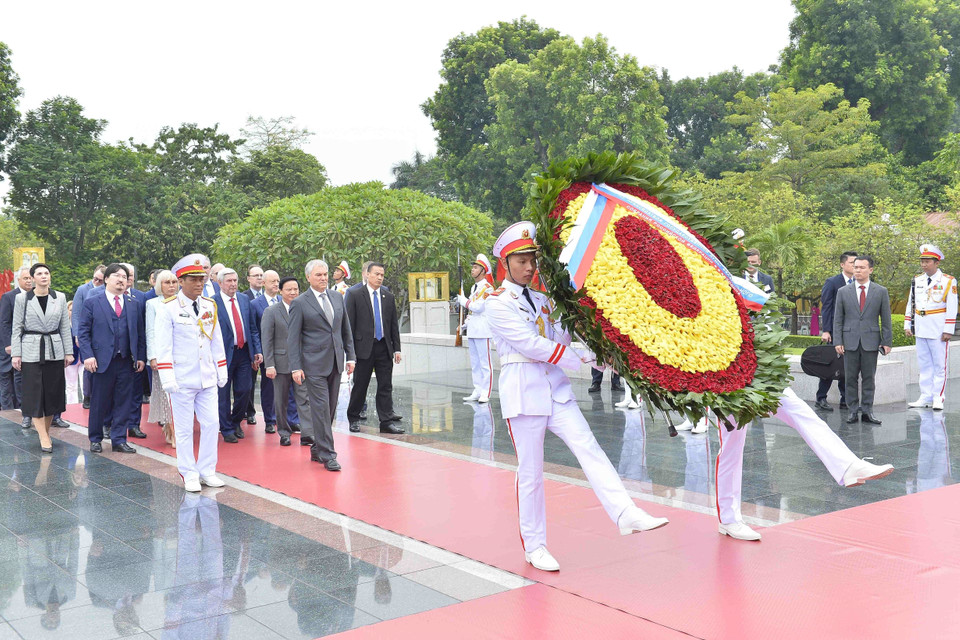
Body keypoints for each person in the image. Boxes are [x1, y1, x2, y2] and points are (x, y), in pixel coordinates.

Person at [484, 221, 668, 572]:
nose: (529, 267)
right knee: (531, 473)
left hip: (555, 389)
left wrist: (601, 354)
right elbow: (531, 345)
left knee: (590, 448)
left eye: (532, 260)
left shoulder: (543, 300)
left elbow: (561, 339)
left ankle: (625, 512)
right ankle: (535, 546)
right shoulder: (496, 303)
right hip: (524, 392)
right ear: (505, 264)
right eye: (521, 261)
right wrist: (580, 360)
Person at [714, 387, 894, 540]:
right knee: (731, 448)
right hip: (726, 382)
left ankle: (848, 466)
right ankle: (729, 519)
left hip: (760, 374)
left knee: (800, 411)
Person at [153, 254, 229, 492]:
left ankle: (207, 470)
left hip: (206, 376)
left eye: (201, 279)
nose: (199, 283)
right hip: (182, 378)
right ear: (181, 281)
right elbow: (163, 346)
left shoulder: (209, 305)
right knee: (184, 429)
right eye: (193, 279)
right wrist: (167, 378)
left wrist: (221, 368)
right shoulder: (168, 308)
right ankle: (189, 472)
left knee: (211, 424)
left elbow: (216, 340)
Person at [289, 260, 355, 469]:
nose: (323, 278)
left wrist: (351, 357)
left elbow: (345, 329)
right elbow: (293, 338)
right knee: (321, 409)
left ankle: (318, 447)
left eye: (325, 274)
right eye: (318, 275)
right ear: (308, 277)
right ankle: (329, 455)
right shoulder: (300, 303)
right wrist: (295, 367)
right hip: (313, 365)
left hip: (336, 361)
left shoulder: (337, 297)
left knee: (330, 409)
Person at [77, 263, 146, 453]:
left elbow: (140, 334)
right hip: (101, 361)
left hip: (126, 361)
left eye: (124, 277)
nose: (121, 280)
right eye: (117, 276)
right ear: (106, 279)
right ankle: (95, 438)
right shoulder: (93, 302)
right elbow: (83, 332)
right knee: (99, 402)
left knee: (124, 402)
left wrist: (140, 357)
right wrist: (88, 356)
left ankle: (119, 439)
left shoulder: (134, 304)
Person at [10, 263, 72, 453]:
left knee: (53, 394)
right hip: (31, 349)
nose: (44, 276)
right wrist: (16, 354)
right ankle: (44, 436)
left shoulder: (59, 297)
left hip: (54, 349)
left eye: (46, 273)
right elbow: (16, 327)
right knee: (35, 394)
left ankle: (44, 432)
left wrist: (68, 352)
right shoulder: (22, 298)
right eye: (39, 273)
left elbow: (64, 326)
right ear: (33, 278)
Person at [345, 262, 403, 435]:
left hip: (384, 347)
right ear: (367, 274)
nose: (379, 277)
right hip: (363, 348)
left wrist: (397, 348)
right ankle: (354, 418)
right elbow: (349, 325)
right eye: (376, 274)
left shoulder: (388, 296)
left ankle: (386, 421)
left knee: (385, 385)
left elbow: (393, 325)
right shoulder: (355, 294)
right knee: (360, 385)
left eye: (382, 275)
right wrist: (350, 353)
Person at [834, 255, 892, 425]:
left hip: (871, 341)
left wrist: (887, 341)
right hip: (849, 341)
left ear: (870, 270)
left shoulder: (880, 291)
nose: (857, 270)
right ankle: (852, 411)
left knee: (869, 378)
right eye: (855, 267)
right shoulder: (843, 292)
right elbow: (838, 319)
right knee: (850, 378)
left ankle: (867, 411)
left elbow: (886, 319)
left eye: (861, 267)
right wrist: (838, 341)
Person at [905, 244, 957, 411]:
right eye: (922, 261)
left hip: (938, 328)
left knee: (939, 365)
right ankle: (925, 396)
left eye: (927, 261)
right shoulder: (917, 280)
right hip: (921, 327)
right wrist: (908, 324)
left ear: (936, 263)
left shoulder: (948, 281)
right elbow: (911, 303)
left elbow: (952, 306)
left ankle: (938, 397)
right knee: (924, 364)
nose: (924, 265)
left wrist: (948, 329)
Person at [214, 268, 262, 443]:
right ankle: (226, 428)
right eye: (229, 281)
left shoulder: (243, 299)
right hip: (223, 354)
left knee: (244, 390)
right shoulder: (212, 303)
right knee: (223, 393)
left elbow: (252, 328)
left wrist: (257, 350)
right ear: (220, 283)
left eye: (235, 280)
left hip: (243, 352)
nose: (233, 284)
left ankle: (235, 422)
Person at [263, 276, 312, 447]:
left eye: (296, 289)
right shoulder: (271, 311)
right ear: (281, 291)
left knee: (304, 399)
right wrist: (269, 364)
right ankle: (284, 432)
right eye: (289, 289)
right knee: (281, 400)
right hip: (280, 363)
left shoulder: (304, 309)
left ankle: (307, 434)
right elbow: (267, 340)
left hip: (302, 363)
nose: (293, 292)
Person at [816, 251, 858, 412]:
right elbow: (826, 307)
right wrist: (826, 330)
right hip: (835, 331)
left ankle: (845, 400)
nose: (855, 266)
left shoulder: (860, 282)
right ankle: (821, 398)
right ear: (842, 264)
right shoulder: (832, 282)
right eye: (852, 263)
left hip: (853, 332)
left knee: (848, 366)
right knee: (830, 364)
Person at [146, 270, 179, 446]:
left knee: (180, 395)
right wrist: (152, 357)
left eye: (174, 282)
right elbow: (150, 331)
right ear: (159, 285)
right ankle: (171, 431)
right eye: (167, 282)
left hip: (181, 355)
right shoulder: (152, 304)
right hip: (162, 356)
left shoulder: (182, 302)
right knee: (166, 396)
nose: (171, 286)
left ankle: (176, 429)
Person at [457, 253, 495, 403]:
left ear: (483, 271)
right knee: (475, 364)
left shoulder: (488, 288)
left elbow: (478, 307)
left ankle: (485, 392)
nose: (472, 270)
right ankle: (477, 390)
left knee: (485, 364)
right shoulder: (474, 287)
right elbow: (473, 312)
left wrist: (464, 301)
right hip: (473, 329)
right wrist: (465, 324)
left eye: (475, 268)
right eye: (473, 267)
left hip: (483, 330)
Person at [249, 270, 281, 433]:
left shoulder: (283, 300)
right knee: (269, 387)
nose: (276, 284)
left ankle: (287, 418)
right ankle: (270, 419)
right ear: (264, 284)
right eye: (272, 281)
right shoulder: (255, 304)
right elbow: (254, 330)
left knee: (286, 386)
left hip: (284, 350)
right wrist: (257, 351)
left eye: (277, 281)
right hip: (266, 351)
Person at [0, 266, 33, 424]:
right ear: (18, 280)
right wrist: (8, 344)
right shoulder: (8, 297)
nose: (29, 281)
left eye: (30, 278)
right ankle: (8, 415)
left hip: (30, 346)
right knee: (7, 381)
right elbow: (4, 322)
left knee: (24, 380)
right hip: (10, 347)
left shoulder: (36, 296)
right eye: (26, 278)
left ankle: (24, 410)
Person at [71, 264, 105, 410]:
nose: (96, 282)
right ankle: (87, 395)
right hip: (86, 333)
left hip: (101, 333)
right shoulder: (83, 290)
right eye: (94, 278)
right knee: (88, 366)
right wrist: (77, 335)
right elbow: (76, 314)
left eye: (100, 280)